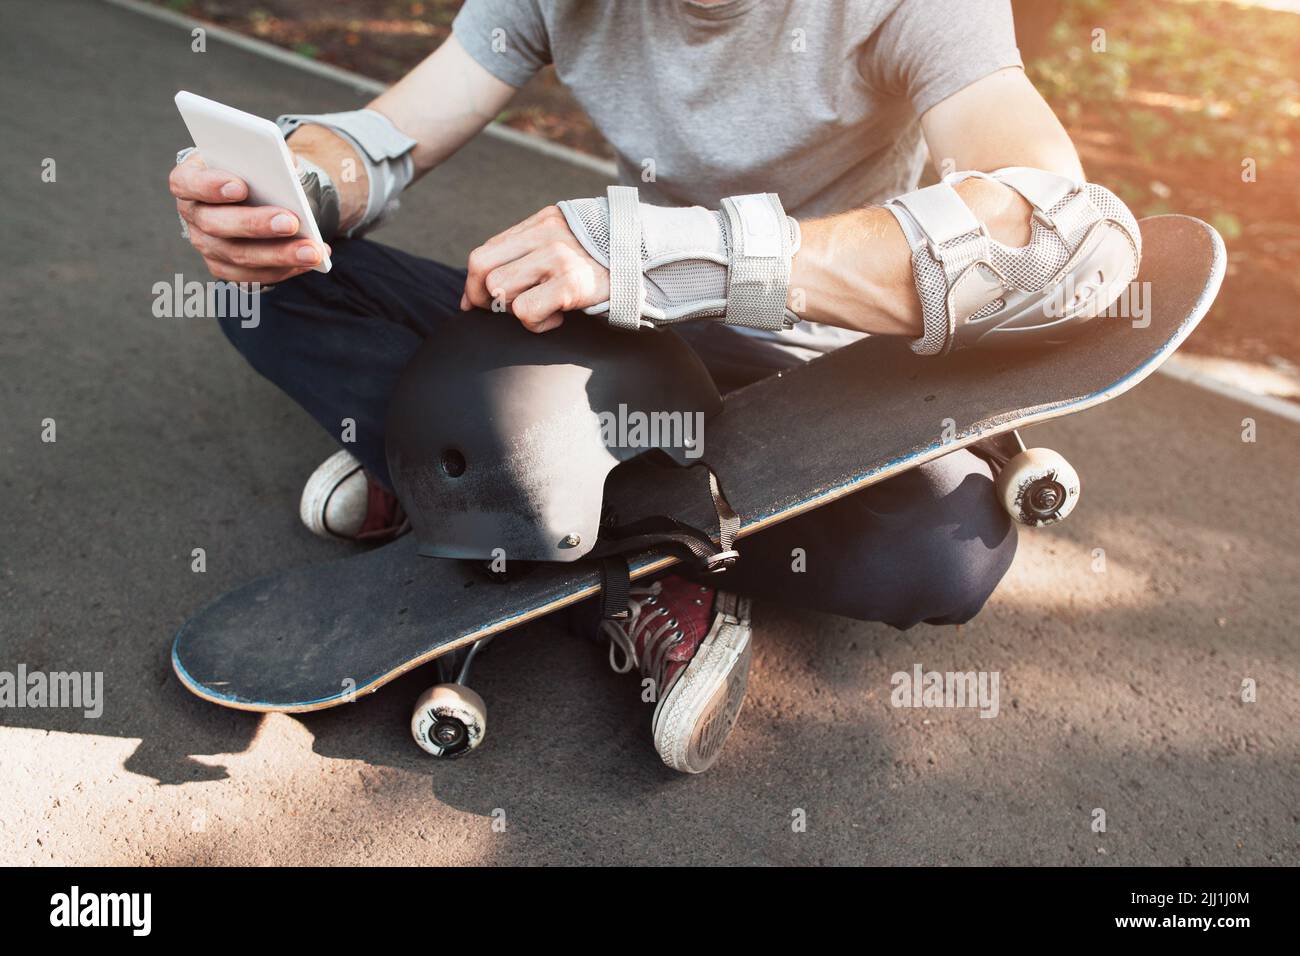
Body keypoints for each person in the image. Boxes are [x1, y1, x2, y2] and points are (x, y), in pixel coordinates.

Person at [168, 0, 1140, 773]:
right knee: (272, 290)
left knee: (946, 550)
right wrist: (300, 187)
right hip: (621, 341)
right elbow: (388, 135)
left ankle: (469, 481)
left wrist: (675, 253)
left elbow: (1064, 235)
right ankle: (598, 534)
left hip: (799, 369)